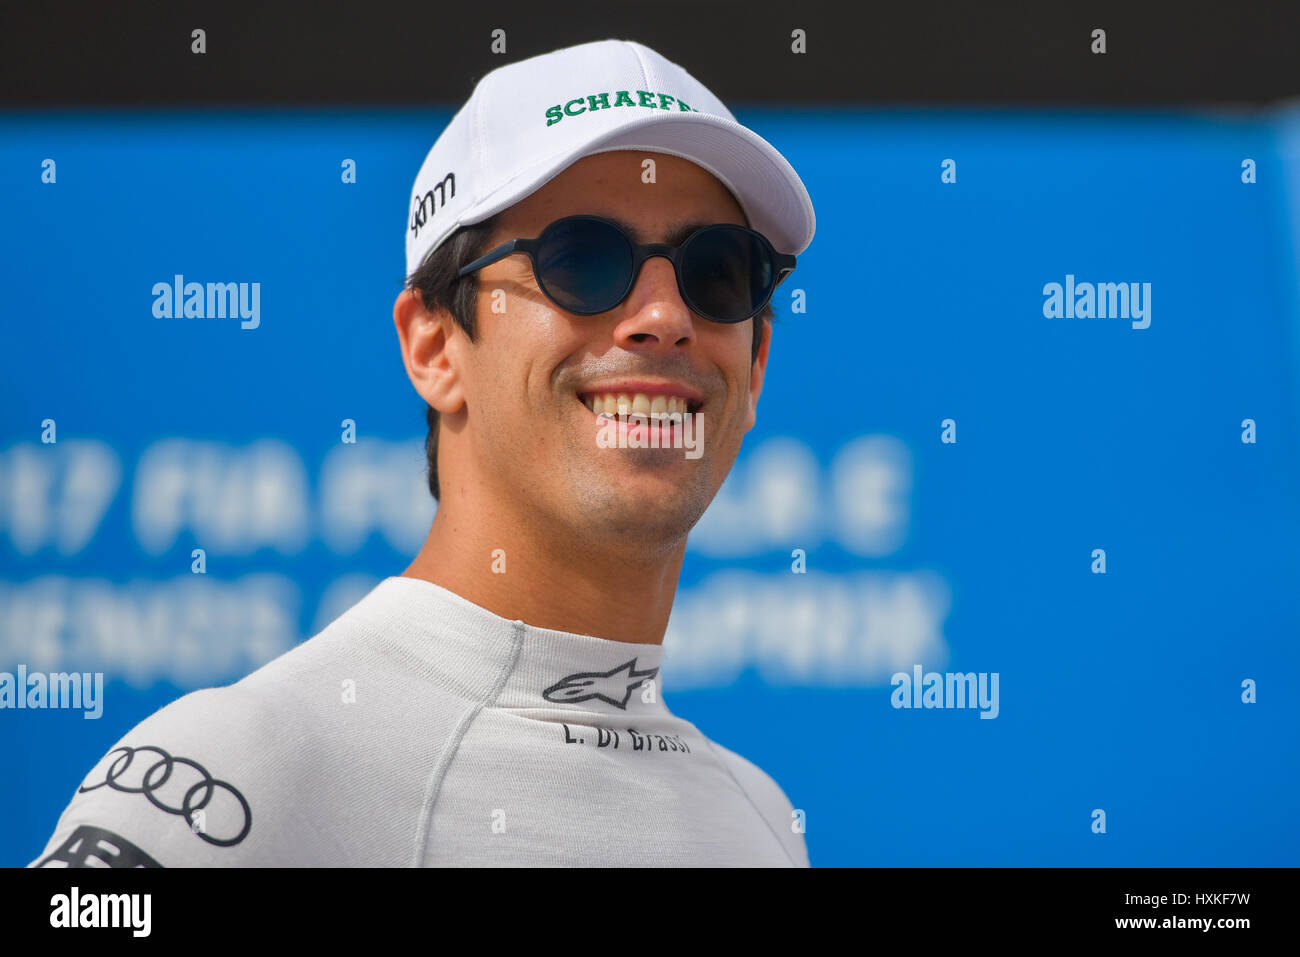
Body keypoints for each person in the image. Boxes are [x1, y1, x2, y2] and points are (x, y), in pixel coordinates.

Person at [30, 37, 816, 868]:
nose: (664, 315)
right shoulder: (237, 775)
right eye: (583, 260)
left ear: (757, 359)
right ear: (434, 347)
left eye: (719, 271)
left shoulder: (758, 819)